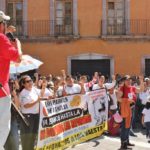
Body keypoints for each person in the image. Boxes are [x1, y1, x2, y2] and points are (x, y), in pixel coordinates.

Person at [0, 11, 22, 150]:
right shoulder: (2, 39)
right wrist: (17, 44)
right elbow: (18, 58)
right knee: (2, 128)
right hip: (1, 92)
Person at [118, 75, 144, 150]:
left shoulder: (132, 88)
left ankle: (127, 141)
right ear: (124, 81)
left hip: (132, 109)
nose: (129, 81)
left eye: (130, 80)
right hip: (125, 109)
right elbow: (118, 99)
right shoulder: (122, 88)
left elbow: (141, 90)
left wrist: (141, 81)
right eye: (127, 80)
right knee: (124, 127)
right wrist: (127, 100)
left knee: (129, 126)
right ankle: (123, 144)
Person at [19, 75, 41, 150]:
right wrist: (36, 101)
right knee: (27, 136)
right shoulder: (23, 93)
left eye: (31, 80)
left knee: (34, 135)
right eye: (27, 81)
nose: (30, 82)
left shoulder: (34, 89)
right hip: (28, 116)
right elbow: (26, 106)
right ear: (23, 84)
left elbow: (42, 95)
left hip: (36, 115)